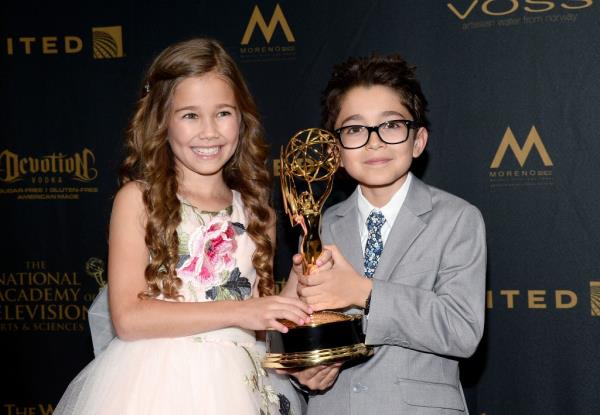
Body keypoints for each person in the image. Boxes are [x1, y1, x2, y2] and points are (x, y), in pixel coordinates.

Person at [54, 38, 311, 415]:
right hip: (157, 386)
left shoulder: (259, 214)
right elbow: (127, 317)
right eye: (190, 115)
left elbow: (260, 329)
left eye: (223, 113)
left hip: (242, 387)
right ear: (162, 121)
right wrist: (241, 312)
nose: (209, 132)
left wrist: (296, 284)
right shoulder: (139, 200)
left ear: (242, 118)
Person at [282, 54, 487, 414]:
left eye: (391, 125)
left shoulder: (457, 219)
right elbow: (297, 326)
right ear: (336, 150)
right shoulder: (322, 225)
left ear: (418, 140)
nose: (374, 142)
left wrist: (364, 292)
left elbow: (462, 330)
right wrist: (305, 369)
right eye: (355, 129)